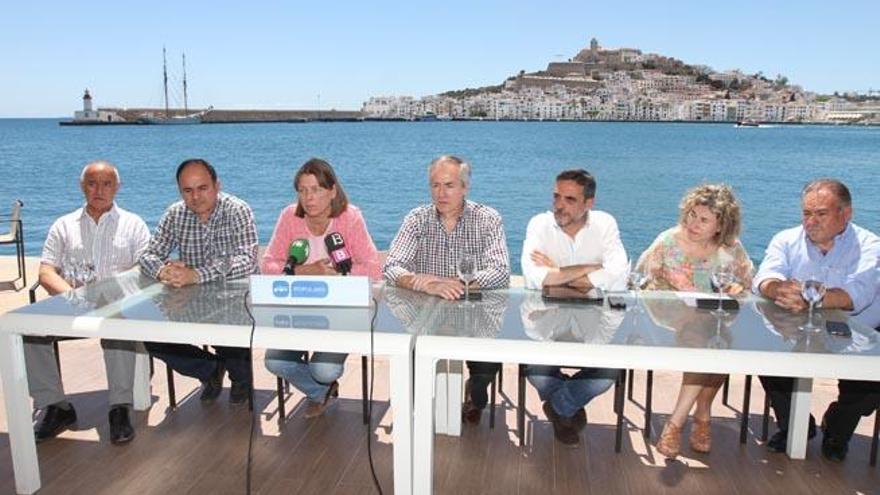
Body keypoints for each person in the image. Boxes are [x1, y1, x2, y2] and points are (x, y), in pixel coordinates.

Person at [754, 178, 880, 461]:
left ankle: (837, 428)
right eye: (806, 213)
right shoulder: (786, 239)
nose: (811, 221)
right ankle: (795, 426)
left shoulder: (870, 245)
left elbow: (858, 294)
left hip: (861, 328)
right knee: (767, 355)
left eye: (820, 213)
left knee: (870, 381)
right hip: (796, 326)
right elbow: (764, 277)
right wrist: (777, 288)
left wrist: (812, 298)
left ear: (845, 214)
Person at [26, 160, 150, 444]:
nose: (99, 190)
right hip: (70, 304)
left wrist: (109, 292)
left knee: (119, 326)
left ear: (117, 187)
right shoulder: (63, 225)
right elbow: (46, 271)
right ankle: (56, 406)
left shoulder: (133, 224)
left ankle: (120, 407)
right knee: (29, 332)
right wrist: (72, 297)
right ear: (83, 187)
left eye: (107, 184)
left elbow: (144, 269)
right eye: (92, 183)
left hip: (116, 304)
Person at [384, 155, 510, 424]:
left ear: (465, 187)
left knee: (487, 363)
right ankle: (413, 411)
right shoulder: (417, 219)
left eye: (449, 185)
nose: (440, 193)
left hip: (474, 312)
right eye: (435, 185)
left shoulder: (487, 219)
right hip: (425, 313)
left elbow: (500, 271)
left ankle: (474, 396)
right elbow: (392, 266)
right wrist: (427, 283)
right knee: (408, 352)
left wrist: (457, 285)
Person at [637, 183, 753, 458]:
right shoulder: (668, 242)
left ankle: (693, 415)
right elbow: (641, 281)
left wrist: (737, 288)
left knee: (716, 336)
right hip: (667, 314)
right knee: (714, 338)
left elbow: (747, 284)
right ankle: (689, 419)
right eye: (691, 214)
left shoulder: (730, 249)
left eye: (703, 219)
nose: (693, 223)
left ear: (720, 225)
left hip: (711, 320)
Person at [261, 158, 382, 417]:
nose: (308, 198)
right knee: (274, 360)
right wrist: (306, 270)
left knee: (323, 370)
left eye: (316, 189)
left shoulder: (349, 217)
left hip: (343, 314)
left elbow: (373, 269)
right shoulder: (289, 217)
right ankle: (320, 391)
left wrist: (337, 274)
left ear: (332, 191)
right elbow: (268, 264)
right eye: (303, 190)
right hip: (298, 312)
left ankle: (321, 382)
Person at [520, 169, 628, 446]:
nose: (559, 205)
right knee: (536, 370)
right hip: (546, 319)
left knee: (607, 374)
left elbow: (617, 277)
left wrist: (557, 272)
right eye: (556, 196)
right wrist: (592, 270)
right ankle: (567, 409)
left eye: (569, 199)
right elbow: (534, 278)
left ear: (588, 203)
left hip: (595, 322)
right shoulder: (539, 224)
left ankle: (560, 408)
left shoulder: (605, 224)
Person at [139, 158, 259, 405]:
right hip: (191, 298)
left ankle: (240, 379)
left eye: (202, 188)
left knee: (230, 328)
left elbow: (247, 260)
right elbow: (148, 255)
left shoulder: (238, 210)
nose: (195, 197)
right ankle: (209, 369)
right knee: (150, 333)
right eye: (188, 190)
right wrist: (163, 271)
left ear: (217, 185)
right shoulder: (175, 214)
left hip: (235, 296)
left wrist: (196, 274)